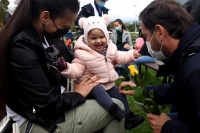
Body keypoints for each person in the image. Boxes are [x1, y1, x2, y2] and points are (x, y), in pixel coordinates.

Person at [0, 0, 129, 132]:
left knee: (109, 102)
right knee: (117, 107)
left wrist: (102, 63)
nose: (65, 30)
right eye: (63, 27)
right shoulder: (22, 47)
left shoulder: (43, 36)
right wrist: (78, 94)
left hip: (50, 110)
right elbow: (47, 104)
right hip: (37, 120)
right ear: (45, 17)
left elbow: (72, 61)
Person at [120, 0, 200, 132]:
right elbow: (178, 90)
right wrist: (142, 91)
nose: (146, 42)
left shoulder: (194, 68)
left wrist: (168, 127)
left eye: (146, 36)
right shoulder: (187, 54)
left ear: (159, 32)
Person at [61, 16, 145, 130]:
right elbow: (76, 68)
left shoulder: (110, 48)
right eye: (93, 38)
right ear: (86, 38)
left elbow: (120, 56)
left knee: (119, 94)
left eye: (101, 37)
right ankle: (114, 110)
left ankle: (129, 117)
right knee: (99, 90)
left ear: (106, 35)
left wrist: (131, 55)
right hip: (92, 85)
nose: (98, 40)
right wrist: (66, 67)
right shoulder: (82, 53)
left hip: (108, 83)